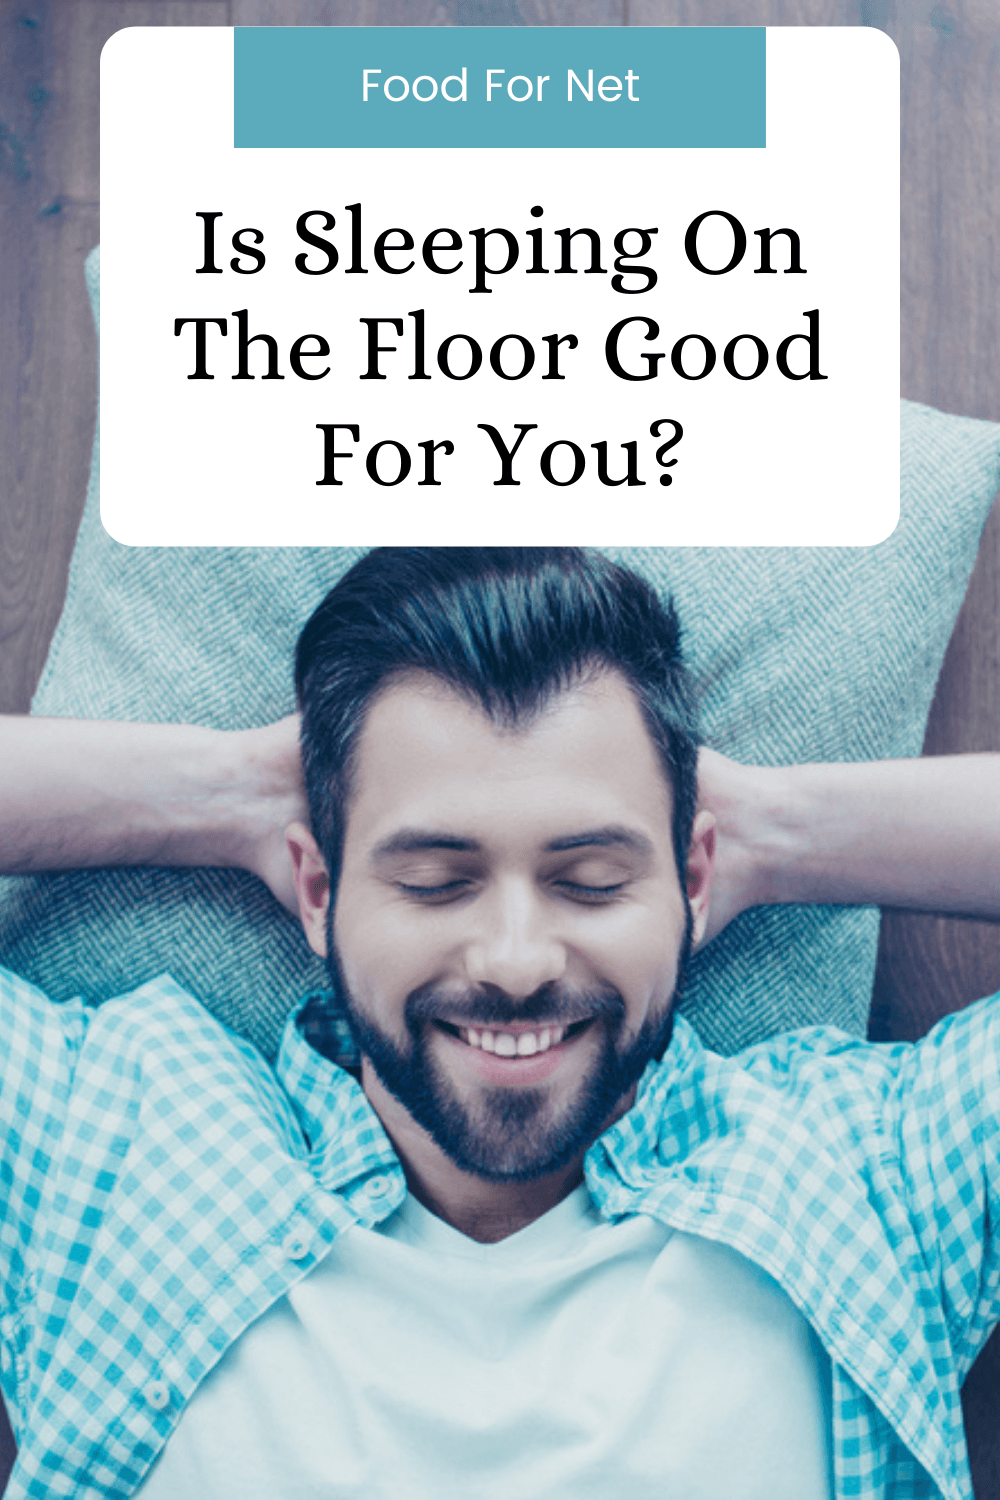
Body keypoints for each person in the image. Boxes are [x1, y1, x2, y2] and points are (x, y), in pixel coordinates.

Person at [0, 547, 998, 1500]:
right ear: (317, 889)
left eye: (592, 881)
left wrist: (773, 832)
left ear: (691, 880)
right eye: (435, 882)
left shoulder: (872, 1172)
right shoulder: (110, 1143)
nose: (515, 961)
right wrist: (233, 797)